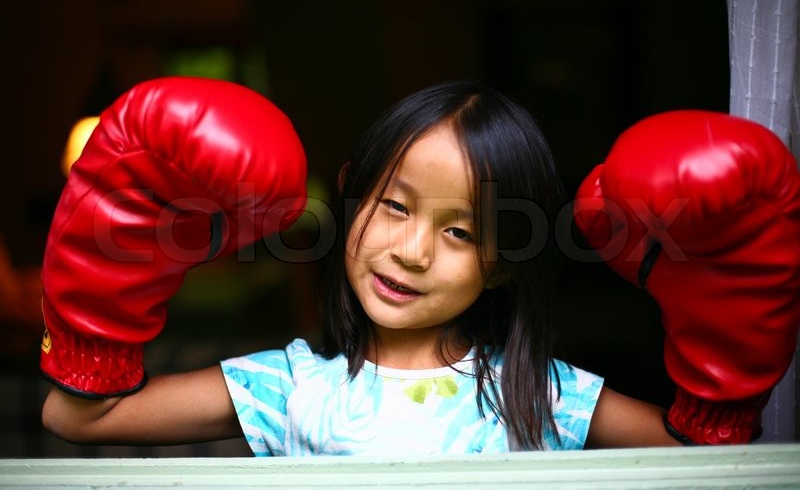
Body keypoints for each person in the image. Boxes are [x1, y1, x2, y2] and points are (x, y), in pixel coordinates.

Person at [40, 77, 799, 454]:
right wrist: (109, 284)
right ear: (351, 198)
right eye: (394, 206)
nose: (412, 250)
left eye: (461, 231)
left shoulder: (538, 396)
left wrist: (722, 341)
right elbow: (75, 416)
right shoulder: (290, 389)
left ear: (502, 265)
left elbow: (711, 459)